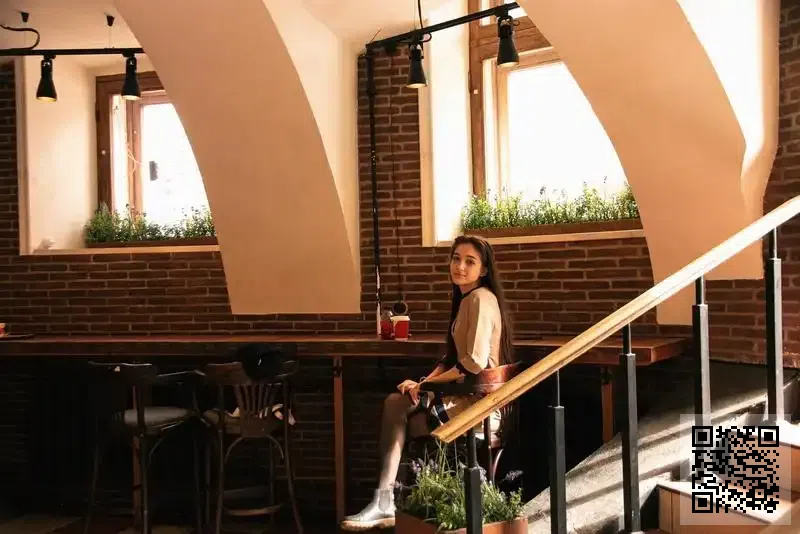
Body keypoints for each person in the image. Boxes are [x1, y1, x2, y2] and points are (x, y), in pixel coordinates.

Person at [340, 234, 514, 532]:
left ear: (484, 269)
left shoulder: (480, 299)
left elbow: (473, 362)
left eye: (470, 261)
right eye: (456, 258)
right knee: (397, 403)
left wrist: (426, 388)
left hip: (476, 408)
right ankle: (390, 501)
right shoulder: (468, 299)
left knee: (403, 414)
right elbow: (452, 359)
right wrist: (425, 382)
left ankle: (398, 502)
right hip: (464, 395)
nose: (460, 266)